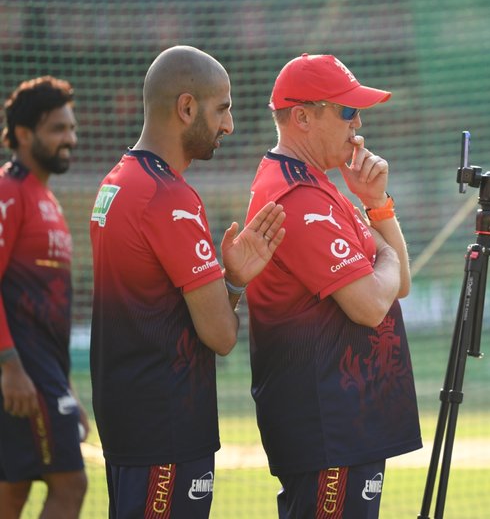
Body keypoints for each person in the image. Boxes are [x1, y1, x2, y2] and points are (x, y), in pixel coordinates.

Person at [89, 45, 286, 518]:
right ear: (186, 107)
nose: (229, 126)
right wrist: (234, 284)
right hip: (167, 431)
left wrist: (229, 280)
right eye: (223, 109)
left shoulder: (116, 181)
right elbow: (220, 335)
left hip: (127, 424)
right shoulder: (169, 197)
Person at [246, 53, 421, 518]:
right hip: (329, 430)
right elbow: (369, 303)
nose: (357, 122)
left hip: (346, 424)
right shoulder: (298, 196)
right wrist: (383, 256)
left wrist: (377, 203)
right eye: (346, 111)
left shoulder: (319, 186)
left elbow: (398, 283)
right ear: (302, 117)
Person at [0, 76, 87, 518]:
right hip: (20, 373)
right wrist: (10, 365)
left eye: (71, 128)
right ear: (23, 134)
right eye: (58, 129)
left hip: (43, 372)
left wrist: (68, 388)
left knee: (11, 491)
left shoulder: (45, 198)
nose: (69, 139)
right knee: (70, 486)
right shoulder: (8, 191)